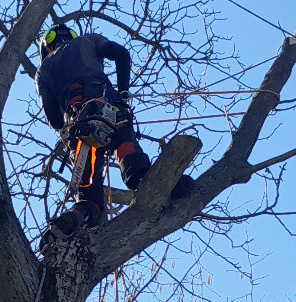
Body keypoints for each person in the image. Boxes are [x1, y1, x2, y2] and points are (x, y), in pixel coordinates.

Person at [36, 20, 189, 235]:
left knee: (88, 195)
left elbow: (54, 119)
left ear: (46, 48)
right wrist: (124, 93)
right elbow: (121, 54)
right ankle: (163, 183)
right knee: (132, 160)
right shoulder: (89, 40)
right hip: (109, 105)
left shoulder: (43, 70)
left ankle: (77, 217)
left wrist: (66, 123)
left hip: (79, 123)